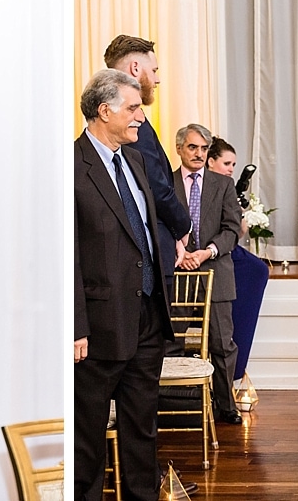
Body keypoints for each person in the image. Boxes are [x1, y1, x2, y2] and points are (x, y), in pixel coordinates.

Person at [74, 69, 173, 501]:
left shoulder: (134, 161)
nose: (140, 118)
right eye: (133, 109)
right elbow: (69, 251)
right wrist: (75, 324)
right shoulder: (71, 167)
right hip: (96, 327)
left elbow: (145, 235)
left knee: (142, 432)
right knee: (88, 440)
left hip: (148, 318)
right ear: (104, 110)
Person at [105, 35, 193, 310]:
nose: (156, 80)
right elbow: (154, 186)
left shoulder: (119, 121)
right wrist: (184, 226)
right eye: (153, 70)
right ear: (134, 68)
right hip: (150, 255)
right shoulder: (132, 125)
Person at [171, 124, 243, 425]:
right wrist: (179, 250)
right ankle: (173, 408)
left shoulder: (222, 184)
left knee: (222, 345)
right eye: (192, 147)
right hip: (176, 274)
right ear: (180, 149)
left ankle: (226, 406)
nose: (199, 154)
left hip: (216, 271)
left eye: (203, 148)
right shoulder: (164, 181)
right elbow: (157, 223)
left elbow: (232, 229)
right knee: (171, 343)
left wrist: (207, 251)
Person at [207, 138, 268, 382]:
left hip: (226, 249)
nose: (232, 169)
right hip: (213, 253)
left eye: (234, 164)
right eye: (227, 163)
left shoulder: (227, 186)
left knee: (257, 270)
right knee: (255, 270)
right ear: (211, 161)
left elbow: (238, 231)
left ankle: (235, 363)